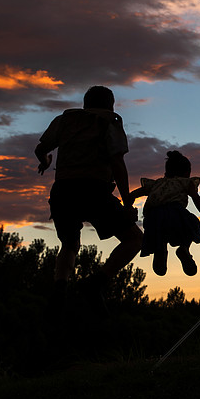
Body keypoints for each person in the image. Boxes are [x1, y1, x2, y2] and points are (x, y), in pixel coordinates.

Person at [35, 85, 143, 313]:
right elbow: (117, 163)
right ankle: (96, 284)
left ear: (85, 104)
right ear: (110, 105)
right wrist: (126, 202)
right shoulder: (109, 121)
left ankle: (60, 287)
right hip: (94, 190)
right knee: (134, 239)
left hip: (63, 190)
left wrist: (45, 162)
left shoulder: (64, 120)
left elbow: (41, 148)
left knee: (69, 244)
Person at [130, 151, 200, 277]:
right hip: (176, 214)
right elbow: (198, 200)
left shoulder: (156, 183)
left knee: (160, 236)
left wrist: (128, 207)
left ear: (166, 172)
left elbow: (133, 195)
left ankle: (160, 252)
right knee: (193, 223)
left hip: (153, 218)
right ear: (187, 173)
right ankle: (184, 248)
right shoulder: (185, 183)